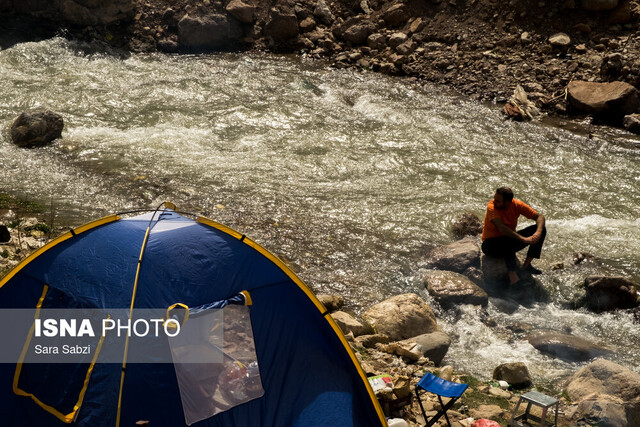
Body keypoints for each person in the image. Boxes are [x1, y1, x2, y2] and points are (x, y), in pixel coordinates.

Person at [481, 187, 546, 285]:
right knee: (507, 237)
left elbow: (540, 217)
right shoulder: (491, 207)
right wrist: (524, 239)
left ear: (507, 203)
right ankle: (513, 276)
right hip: (490, 246)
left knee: (541, 229)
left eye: (498, 200)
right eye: (495, 198)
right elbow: (502, 228)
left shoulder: (517, 205)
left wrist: (538, 233)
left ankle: (526, 265)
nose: (494, 201)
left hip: (508, 243)